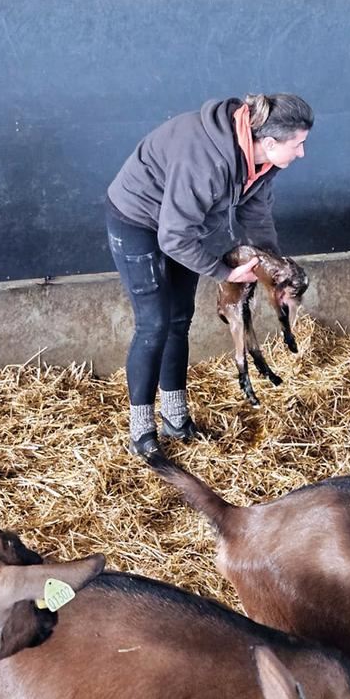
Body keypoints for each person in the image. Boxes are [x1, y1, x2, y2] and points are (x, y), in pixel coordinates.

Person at [106, 92, 313, 460]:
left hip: (186, 224)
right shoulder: (208, 160)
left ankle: (174, 415)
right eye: (298, 145)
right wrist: (223, 270)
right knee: (154, 324)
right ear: (268, 141)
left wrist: (271, 269)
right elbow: (172, 236)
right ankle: (141, 429)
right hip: (139, 220)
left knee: (179, 320)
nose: (302, 154)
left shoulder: (264, 161)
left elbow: (256, 213)